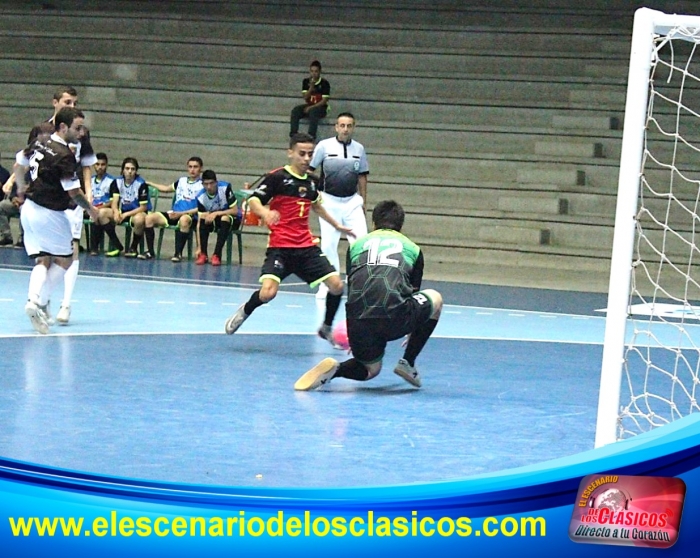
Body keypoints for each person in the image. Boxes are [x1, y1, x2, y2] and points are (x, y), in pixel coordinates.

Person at [294, 200, 443, 391]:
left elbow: (356, 285)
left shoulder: (356, 246)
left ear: (373, 224)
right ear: (401, 226)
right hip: (395, 317)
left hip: (358, 322)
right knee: (436, 298)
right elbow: (412, 292)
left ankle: (336, 370)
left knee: (370, 368)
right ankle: (408, 362)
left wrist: (357, 337)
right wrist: (413, 329)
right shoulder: (413, 249)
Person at [224, 133, 353, 344]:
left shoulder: (312, 183)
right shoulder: (277, 177)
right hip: (280, 248)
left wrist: (337, 224)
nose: (306, 158)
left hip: (306, 248)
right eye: (301, 153)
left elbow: (317, 206)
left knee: (337, 285)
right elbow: (254, 200)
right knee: (267, 293)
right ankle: (245, 310)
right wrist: (265, 213)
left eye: (310, 154)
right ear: (290, 153)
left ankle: (326, 327)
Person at [14, 107, 99, 334]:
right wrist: (92, 210)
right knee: (65, 259)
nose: (81, 132)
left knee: (42, 259)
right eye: (77, 128)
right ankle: (39, 302)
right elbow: (74, 193)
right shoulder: (65, 156)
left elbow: (18, 165)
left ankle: (33, 299)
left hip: (28, 210)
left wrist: (21, 187)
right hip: (49, 213)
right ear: (63, 127)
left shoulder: (39, 142)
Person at [309, 112, 369, 299]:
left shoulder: (359, 149)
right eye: (342, 125)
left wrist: (364, 201)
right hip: (328, 202)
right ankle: (328, 285)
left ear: (353, 128)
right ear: (336, 127)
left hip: (352, 202)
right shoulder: (324, 146)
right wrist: (315, 194)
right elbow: (310, 170)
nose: (345, 129)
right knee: (328, 245)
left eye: (349, 126)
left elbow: (362, 176)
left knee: (362, 244)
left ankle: (362, 285)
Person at [141, 156, 203, 262]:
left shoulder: (203, 185)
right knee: (149, 218)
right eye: (190, 167)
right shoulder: (181, 181)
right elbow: (166, 189)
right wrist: (149, 183)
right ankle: (150, 252)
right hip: (174, 214)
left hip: (189, 216)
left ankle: (178, 253)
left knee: (184, 220)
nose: (192, 170)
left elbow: (200, 208)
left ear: (201, 168)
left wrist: (181, 214)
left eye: (195, 167)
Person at [109, 157, 153, 257]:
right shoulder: (117, 182)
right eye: (127, 168)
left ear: (136, 171)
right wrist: (116, 212)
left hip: (137, 211)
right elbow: (114, 202)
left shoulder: (141, 184)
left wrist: (125, 215)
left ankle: (133, 247)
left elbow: (143, 207)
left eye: (132, 169)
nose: (129, 171)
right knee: (103, 214)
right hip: (123, 211)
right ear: (122, 170)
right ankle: (117, 245)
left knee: (139, 219)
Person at [195, 170, 240, 266]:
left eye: (211, 183)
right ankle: (203, 254)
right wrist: (198, 247)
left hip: (232, 219)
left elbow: (235, 211)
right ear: (202, 184)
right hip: (214, 220)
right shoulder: (200, 197)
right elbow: (199, 221)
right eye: (206, 184)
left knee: (224, 218)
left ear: (216, 182)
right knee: (203, 218)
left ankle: (217, 255)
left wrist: (216, 213)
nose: (209, 187)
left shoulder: (225, 188)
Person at [88, 153, 122, 256]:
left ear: (106, 165)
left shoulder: (112, 181)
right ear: (94, 165)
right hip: (91, 208)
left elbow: (112, 202)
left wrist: (96, 208)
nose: (100, 167)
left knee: (99, 213)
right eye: (97, 164)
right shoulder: (90, 180)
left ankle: (95, 247)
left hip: (108, 209)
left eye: (103, 164)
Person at [289, 60, 330, 140]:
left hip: (321, 107)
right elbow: (305, 97)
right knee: (295, 110)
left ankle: (311, 136)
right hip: (310, 105)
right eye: (312, 71)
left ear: (320, 72)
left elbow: (324, 100)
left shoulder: (324, 83)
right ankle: (293, 134)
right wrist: (311, 87)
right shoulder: (306, 82)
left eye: (316, 71)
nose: (314, 73)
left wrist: (311, 107)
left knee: (313, 111)